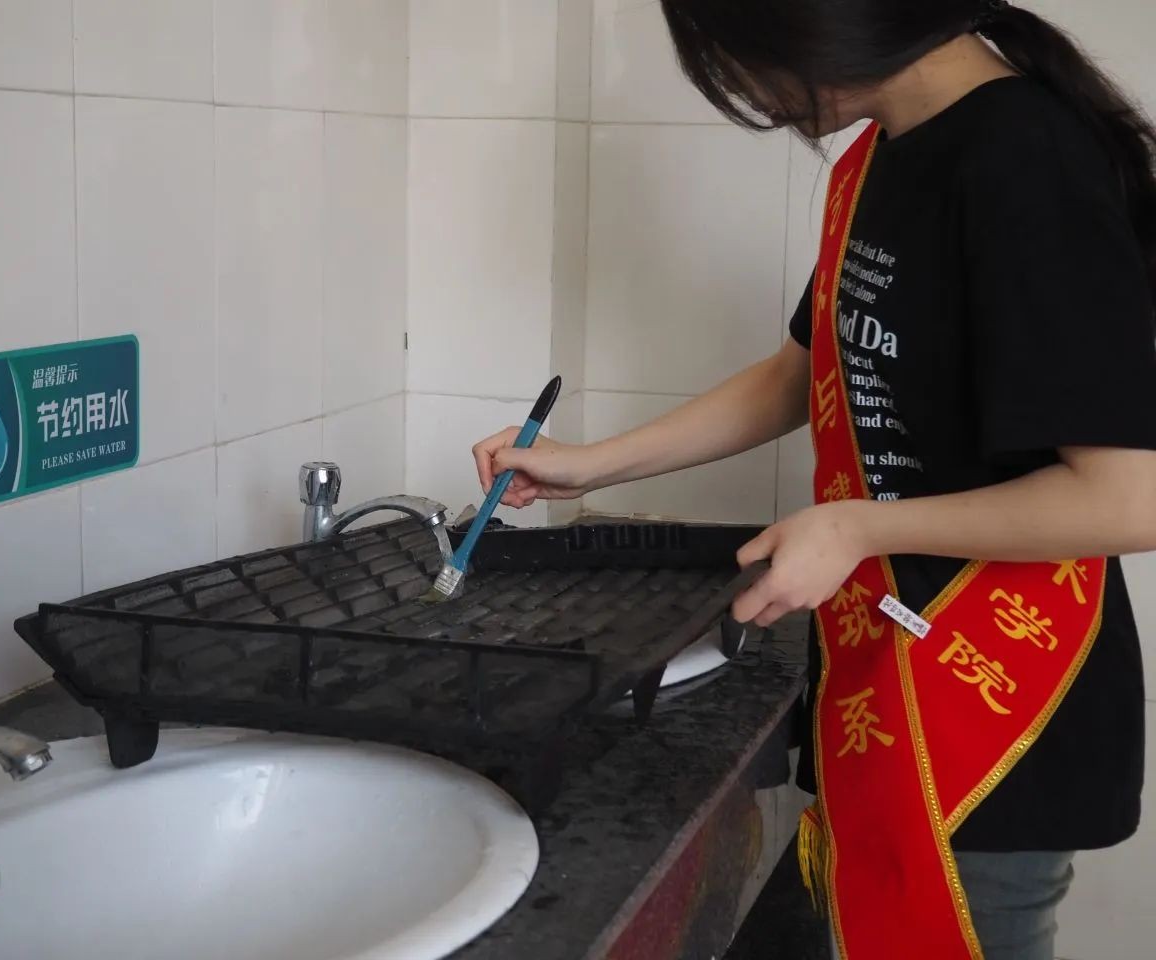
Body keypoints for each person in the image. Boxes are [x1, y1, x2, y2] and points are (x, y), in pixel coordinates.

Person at [470, 3, 1156, 958]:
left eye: (739, 57)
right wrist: (589, 463)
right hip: (885, 670)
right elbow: (802, 372)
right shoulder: (881, 154)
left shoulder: (1024, 162)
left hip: (999, 722)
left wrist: (859, 527)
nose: (749, 91)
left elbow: (1129, 499)